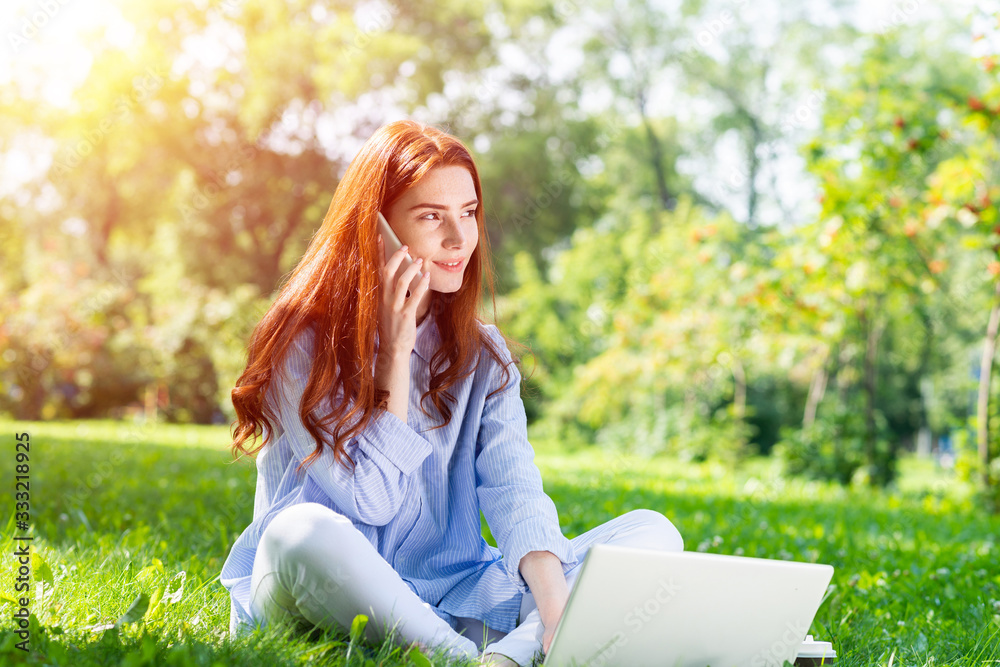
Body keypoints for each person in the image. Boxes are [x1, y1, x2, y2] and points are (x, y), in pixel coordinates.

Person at [219, 120, 684, 666]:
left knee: (653, 534)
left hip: (450, 593)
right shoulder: (301, 340)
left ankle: (509, 655)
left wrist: (558, 616)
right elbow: (372, 500)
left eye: (468, 213)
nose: (459, 240)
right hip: (316, 591)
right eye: (431, 217)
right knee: (302, 531)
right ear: (375, 229)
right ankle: (467, 660)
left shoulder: (483, 354)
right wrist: (395, 352)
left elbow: (517, 495)